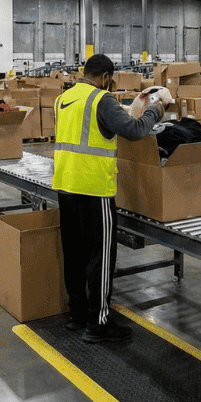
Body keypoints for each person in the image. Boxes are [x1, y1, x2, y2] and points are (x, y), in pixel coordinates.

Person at [52, 53, 163, 343]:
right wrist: (155, 112)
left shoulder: (64, 99)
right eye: (110, 81)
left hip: (65, 185)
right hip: (94, 189)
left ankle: (77, 314)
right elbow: (134, 131)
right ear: (105, 77)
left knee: (74, 255)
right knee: (99, 257)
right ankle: (99, 322)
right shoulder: (101, 99)